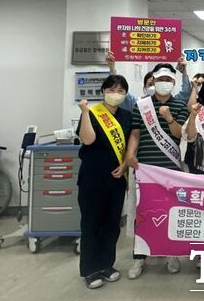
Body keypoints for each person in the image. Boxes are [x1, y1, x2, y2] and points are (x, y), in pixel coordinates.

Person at [124, 63, 190, 279]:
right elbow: (135, 132)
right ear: (153, 80)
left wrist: (169, 117)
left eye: (168, 80)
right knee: (142, 214)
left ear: (174, 82)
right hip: (145, 169)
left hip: (170, 170)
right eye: (160, 79)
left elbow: (180, 134)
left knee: (170, 212)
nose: (164, 83)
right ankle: (139, 257)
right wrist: (130, 154)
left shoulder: (180, 105)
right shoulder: (141, 105)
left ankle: (171, 254)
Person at [76, 75, 131, 289]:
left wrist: (125, 165)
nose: (116, 94)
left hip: (117, 180)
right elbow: (87, 140)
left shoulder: (126, 116)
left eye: (120, 91)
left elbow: (129, 144)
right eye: (111, 90)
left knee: (111, 224)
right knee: (91, 224)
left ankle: (107, 264)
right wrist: (84, 112)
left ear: (125, 94)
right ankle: (90, 270)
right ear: (103, 91)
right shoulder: (92, 113)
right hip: (92, 179)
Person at [106, 52, 192, 112]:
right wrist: (112, 68)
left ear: (173, 83)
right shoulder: (138, 103)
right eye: (150, 84)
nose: (153, 87)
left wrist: (184, 72)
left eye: (167, 80)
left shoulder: (176, 103)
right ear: (145, 86)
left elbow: (186, 93)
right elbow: (120, 93)